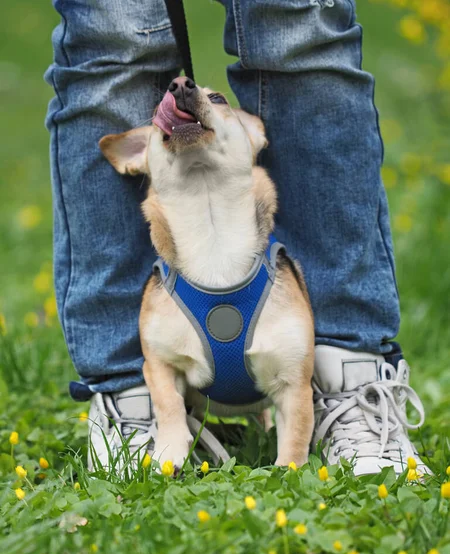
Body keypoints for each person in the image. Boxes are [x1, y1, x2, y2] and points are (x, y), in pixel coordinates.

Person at [45, 0, 427, 475]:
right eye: (177, 97)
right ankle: (134, 399)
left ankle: (347, 374)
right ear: (139, 154)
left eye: (216, 101)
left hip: (266, 280)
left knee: (300, 22)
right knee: (111, 36)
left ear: (252, 136)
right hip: (174, 297)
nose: (182, 92)